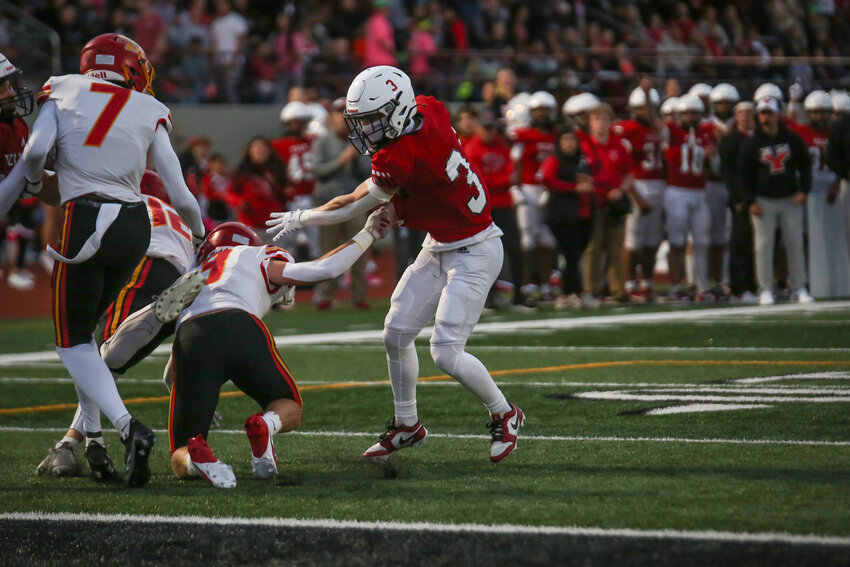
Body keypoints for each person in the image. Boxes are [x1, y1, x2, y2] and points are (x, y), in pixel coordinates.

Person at [266, 66, 525, 463]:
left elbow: (352, 204)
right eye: (363, 120)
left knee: (445, 351)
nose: (367, 129)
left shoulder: (399, 153)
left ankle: (506, 414)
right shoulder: (429, 109)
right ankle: (408, 425)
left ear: (399, 109)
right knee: (396, 333)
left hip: (476, 247)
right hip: (442, 240)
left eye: (374, 119)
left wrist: (303, 217)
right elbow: (425, 174)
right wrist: (402, 204)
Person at [16, 33, 204, 487]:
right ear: (131, 68)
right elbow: (180, 194)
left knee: (72, 341)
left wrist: (34, 184)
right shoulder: (149, 110)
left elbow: (36, 153)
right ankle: (91, 441)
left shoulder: (62, 88)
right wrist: (200, 237)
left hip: (86, 217)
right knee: (92, 341)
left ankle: (126, 427)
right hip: (136, 226)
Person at [171, 209, 397, 487]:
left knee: (180, 450)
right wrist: (369, 233)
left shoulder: (195, 272)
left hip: (190, 336)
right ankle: (267, 424)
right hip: (240, 324)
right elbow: (324, 269)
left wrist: (187, 388)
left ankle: (196, 460)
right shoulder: (253, 256)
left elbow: (175, 365)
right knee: (288, 405)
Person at [36, 171, 197, 479]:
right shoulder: (180, 218)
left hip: (140, 266)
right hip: (177, 273)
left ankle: (75, 444)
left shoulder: (131, 202)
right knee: (107, 364)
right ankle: (76, 442)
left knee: (94, 355)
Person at [739, 97, 813, 305]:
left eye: (769, 112)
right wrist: (750, 201)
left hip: (790, 197)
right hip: (763, 200)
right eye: (762, 113)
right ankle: (765, 289)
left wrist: (804, 189)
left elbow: (805, 163)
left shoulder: (791, 137)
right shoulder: (752, 142)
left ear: (778, 114)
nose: (766, 117)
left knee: (795, 243)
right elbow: (743, 174)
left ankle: (799, 287)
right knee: (763, 246)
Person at [464, 111, 531, 311]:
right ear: (479, 128)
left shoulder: (502, 145)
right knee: (487, 253)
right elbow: (478, 179)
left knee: (515, 250)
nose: (489, 131)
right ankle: (488, 297)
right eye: (486, 127)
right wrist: (503, 180)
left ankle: (519, 294)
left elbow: (511, 171)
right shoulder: (472, 147)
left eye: (492, 127)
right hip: (484, 207)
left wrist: (501, 179)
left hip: (505, 204)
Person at [310, 97, 372, 310]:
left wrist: (355, 160)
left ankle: (359, 294)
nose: (342, 119)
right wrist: (341, 161)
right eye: (338, 113)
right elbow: (317, 170)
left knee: (358, 247)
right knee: (328, 249)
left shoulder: (360, 140)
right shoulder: (322, 141)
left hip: (354, 202)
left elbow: (368, 173)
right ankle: (325, 295)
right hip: (328, 201)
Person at [788, 91, 850, 298]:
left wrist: (836, 184)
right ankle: (801, 279)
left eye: (823, 112)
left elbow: (838, 161)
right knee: (802, 235)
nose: (820, 116)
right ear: (808, 113)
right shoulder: (799, 132)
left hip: (832, 187)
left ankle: (830, 279)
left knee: (833, 237)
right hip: (806, 188)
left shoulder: (836, 133)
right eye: (815, 112)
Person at [579, 102, 635, 305]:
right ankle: (591, 289)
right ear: (590, 123)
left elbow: (629, 174)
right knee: (592, 248)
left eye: (604, 119)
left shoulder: (619, 145)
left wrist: (620, 190)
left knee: (616, 248)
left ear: (611, 122)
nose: (600, 123)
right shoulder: (584, 146)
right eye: (596, 119)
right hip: (593, 203)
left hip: (614, 203)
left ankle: (618, 289)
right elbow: (577, 173)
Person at [613, 86, 664, 302]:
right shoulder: (627, 129)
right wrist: (636, 196)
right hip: (639, 184)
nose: (644, 112)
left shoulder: (661, 128)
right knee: (632, 242)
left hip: (659, 184)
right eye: (641, 108)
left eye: (648, 108)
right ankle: (629, 284)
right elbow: (625, 168)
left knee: (652, 241)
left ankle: (648, 284)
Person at [663, 94, 716, 301]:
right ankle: (676, 287)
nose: (690, 116)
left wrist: (714, 156)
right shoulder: (672, 132)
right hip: (676, 191)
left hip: (699, 192)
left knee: (702, 241)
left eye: (693, 113)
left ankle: (702, 287)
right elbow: (656, 125)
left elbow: (715, 167)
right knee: (676, 242)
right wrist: (649, 95)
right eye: (686, 113)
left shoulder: (706, 134)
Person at [538, 127, 595, 309]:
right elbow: (547, 178)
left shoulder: (583, 159)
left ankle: (568, 292)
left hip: (582, 213)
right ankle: (574, 292)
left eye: (572, 140)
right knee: (571, 254)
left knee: (574, 254)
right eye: (566, 140)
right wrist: (573, 187)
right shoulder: (554, 159)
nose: (570, 144)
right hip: (562, 214)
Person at [508, 91, 558, 301]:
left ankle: (545, 286)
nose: (542, 115)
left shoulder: (557, 134)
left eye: (545, 110)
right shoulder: (523, 135)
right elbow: (514, 164)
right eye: (538, 110)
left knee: (548, 240)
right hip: (528, 189)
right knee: (527, 240)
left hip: (550, 190)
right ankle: (527, 285)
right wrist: (515, 188)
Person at [0, 52, 35, 290]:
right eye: (3, 88)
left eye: (10, 86)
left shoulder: (17, 124)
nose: (11, 93)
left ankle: (17, 267)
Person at [718, 101, 758, 301]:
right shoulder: (731, 139)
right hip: (741, 199)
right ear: (736, 116)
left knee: (755, 244)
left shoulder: (758, 138)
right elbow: (728, 172)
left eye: (749, 113)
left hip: (757, 198)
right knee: (740, 243)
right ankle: (739, 289)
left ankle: (752, 285)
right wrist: (737, 198)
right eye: (742, 113)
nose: (745, 116)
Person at [271, 101, 318, 259]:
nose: (296, 125)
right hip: (291, 196)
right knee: (289, 239)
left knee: (316, 238)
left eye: (299, 121)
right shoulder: (277, 145)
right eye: (293, 122)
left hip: (313, 194)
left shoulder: (314, 140)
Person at [227, 136, 288, 242]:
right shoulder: (242, 173)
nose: (260, 148)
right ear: (249, 151)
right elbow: (230, 193)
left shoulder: (278, 170)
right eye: (256, 146)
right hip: (251, 226)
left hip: (275, 226)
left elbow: (287, 191)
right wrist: (238, 202)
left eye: (263, 146)